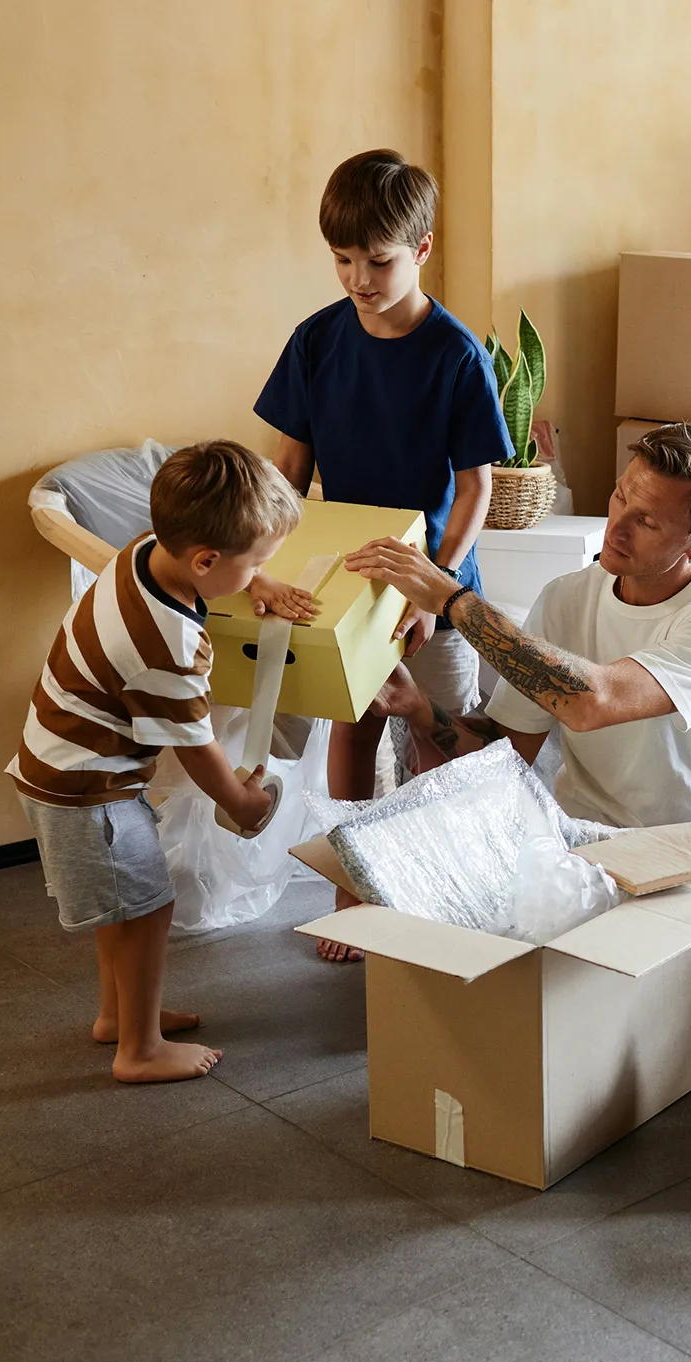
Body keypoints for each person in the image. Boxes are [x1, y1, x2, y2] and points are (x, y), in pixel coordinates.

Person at [344, 421, 691, 1008]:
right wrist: (419, 709)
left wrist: (450, 597)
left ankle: (617, 974)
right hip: (583, 848)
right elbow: (503, 755)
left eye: (647, 520)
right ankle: (673, 976)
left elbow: (591, 702)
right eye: (622, 494)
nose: (617, 525)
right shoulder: (566, 596)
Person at [246, 148, 509, 958]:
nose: (360, 277)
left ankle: (433, 886)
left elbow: (475, 490)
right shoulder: (316, 341)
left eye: (380, 260)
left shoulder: (456, 356)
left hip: (434, 587)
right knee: (352, 730)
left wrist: (433, 590)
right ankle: (354, 889)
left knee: (436, 734)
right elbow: (286, 472)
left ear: (422, 248)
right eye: (344, 259)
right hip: (350, 582)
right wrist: (261, 567)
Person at [7, 441, 296, 1082]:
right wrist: (242, 802)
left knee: (129, 903)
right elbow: (195, 746)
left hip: (61, 764)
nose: (259, 577)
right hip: (90, 790)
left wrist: (255, 576)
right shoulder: (166, 644)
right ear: (206, 559)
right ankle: (137, 1050)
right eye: (257, 565)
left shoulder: (143, 550)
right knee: (145, 907)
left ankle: (119, 1015)